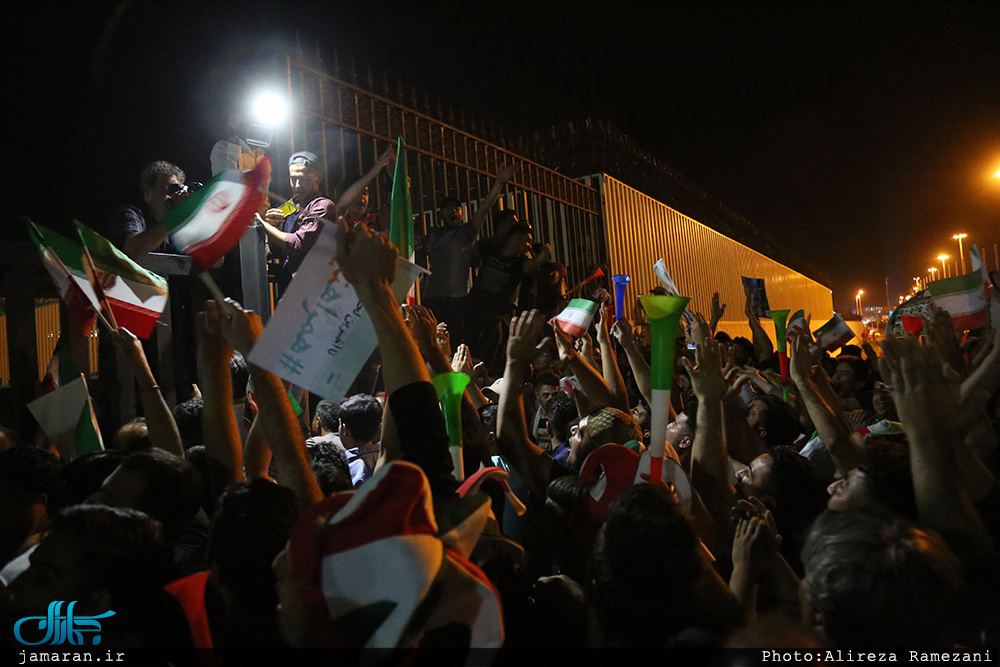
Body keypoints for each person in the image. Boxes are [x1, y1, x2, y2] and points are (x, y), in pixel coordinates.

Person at [422, 165, 516, 347]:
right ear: (440, 214)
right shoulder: (433, 236)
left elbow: (485, 207)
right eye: (447, 208)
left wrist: (499, 182)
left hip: (456, 300)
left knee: (453, 343)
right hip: (431, 297)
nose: (452, 211)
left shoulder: (467, 231)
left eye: (456, 208)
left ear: (462, 213)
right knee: (430, 343)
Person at [261, 151, 335, 295]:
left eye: (304, 179)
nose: (297, 185)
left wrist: (264, 225)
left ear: (318, 178)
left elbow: (297, 244)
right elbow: (278, 251)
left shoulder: (323, 206)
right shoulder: (290, 205)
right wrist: (273, 226)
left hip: (314, 288)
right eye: (293, 179)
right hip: (289, 284)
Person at [109, 160, 191, 259]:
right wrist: (174, 219)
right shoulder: (129, 213)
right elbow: (132, 250)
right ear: (147, 192)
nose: (174, 197)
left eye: (177, 191)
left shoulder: (178, 227)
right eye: (169, 190)